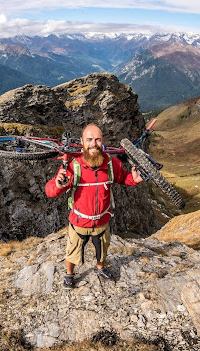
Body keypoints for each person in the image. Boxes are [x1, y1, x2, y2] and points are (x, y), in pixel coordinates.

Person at [45, 123, 143, 288]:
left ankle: (100, 268)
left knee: (102, 249)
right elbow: (50, 191)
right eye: (89, 140)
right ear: (82, 142)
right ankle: (69, 275)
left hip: (102, 221)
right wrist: (58, 185)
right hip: (79, 222)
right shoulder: (73, 166)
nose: (94, 144)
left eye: (97, 140)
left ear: (102, 141)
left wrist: (134, 179)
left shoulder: (112, 164)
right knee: (72, 252)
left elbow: (124, 178)